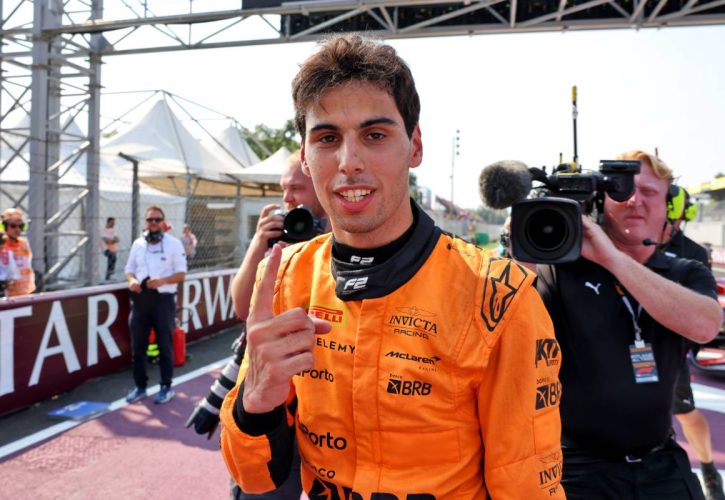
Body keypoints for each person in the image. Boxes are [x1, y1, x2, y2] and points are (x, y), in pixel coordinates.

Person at [219, 33, 564, 499]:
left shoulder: (500, 296)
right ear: (305, 156)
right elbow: (255, 477)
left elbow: (527, 486)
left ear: (414, 145)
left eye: (375, 135)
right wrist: (255, 404)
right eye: (327, 138)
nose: (349, 162)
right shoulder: (283, 276)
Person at [536, 150, 723, 499]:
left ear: (667, 206)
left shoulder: (685, 271)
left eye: (649, 192)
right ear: (601, 200)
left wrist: (612, 259)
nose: (635, 200)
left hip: (660, 461)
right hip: (577, 467)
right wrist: (527, 248)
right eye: (621, 189)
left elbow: (706, 326)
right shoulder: (562, 270)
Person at [193, 150, 327, 500]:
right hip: (274, 396)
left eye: (296, 188)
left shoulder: (344, 235)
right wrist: (258, 245)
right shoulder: (279, 235)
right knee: (264, 489)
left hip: (325, 400)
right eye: (284, 189)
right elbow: (241, 307)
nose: (287, 198)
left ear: (320, 183)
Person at [662, 187, 725, 500]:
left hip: (672, 349)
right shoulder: (622, 243)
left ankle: (708, 468)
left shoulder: (693, 253)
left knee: (685, 414)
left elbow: (702, 313)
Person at [124, 206, 187, 404]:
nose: (153, 223)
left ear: (163, 222)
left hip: (163, 301)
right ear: (145, 222)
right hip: (140, 301)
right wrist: (132, 281)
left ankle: (166, 386)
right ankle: (140, 386)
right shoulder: (138, 244)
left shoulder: (174, 244)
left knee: (164, 345)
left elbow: (182, 274)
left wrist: (163, 281)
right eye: (150, 219)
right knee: (138, 347)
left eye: (157, 219)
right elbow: (129, 269)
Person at [1, 208, 35, 297]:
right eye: (13, 226)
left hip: (24, 291)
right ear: (4, 227)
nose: (17, 229)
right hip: (6, 293)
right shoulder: (2, 246)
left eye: (21, 226)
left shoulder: (23, 243)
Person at [0, 230, 20, 298]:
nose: (1, 246)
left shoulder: (8, 254)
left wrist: (10, 281)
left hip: (3, 286)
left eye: (2, 242)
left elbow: (14, 274)